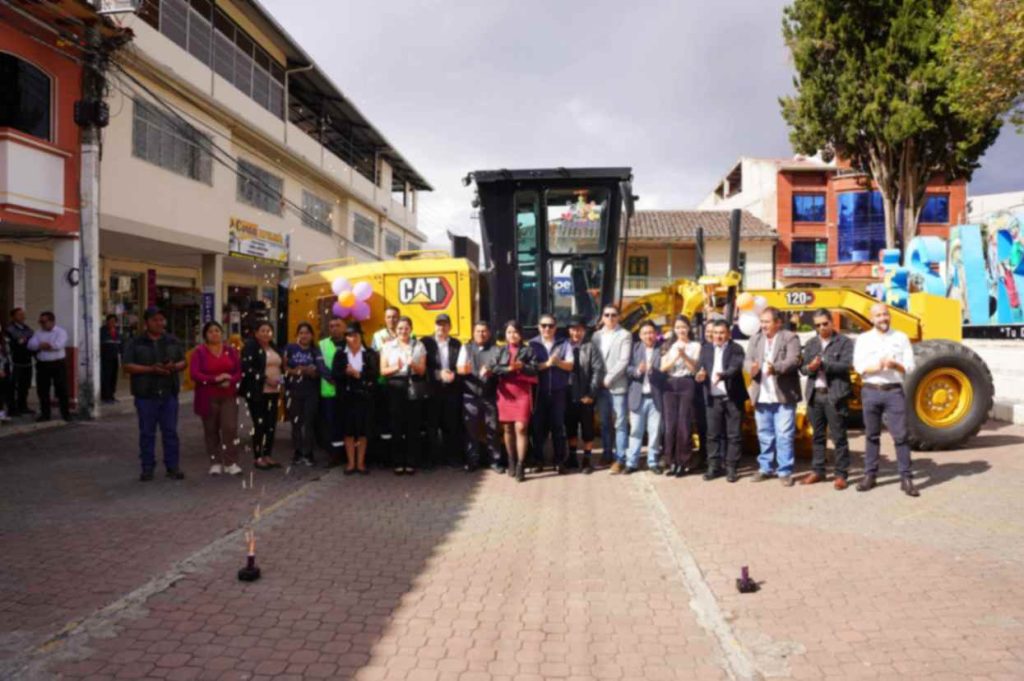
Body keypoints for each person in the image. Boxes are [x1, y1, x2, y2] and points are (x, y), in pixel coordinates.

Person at [854, 303, 919, 497]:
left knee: (900, 436)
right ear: (872, 319)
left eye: (885, 314)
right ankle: (870, 475)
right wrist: (878, 367)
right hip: (871, 391)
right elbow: (858, 366)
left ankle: (906, 478)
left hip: (894, 392)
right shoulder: (863, 339)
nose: (883, 318)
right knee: (871, 435)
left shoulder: (901, 337)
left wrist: (895, 365)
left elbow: (910, 367)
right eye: (879, 315)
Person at [122, 307, 187, 481]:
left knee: (170, 432)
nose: (159, 323)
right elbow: (127, 365)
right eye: (155, 320)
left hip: (168, 393)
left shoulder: (172, 340)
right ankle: (147, 467)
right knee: (147, 433)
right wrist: (151, 369)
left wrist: (173, 367)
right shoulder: (136, 342)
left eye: (161, 320)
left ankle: (172, 467)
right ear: (146, 323)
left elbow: (183, 362)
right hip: (146, 394)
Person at [745, 307, 802, 486]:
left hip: (783, 395)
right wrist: (750, 368)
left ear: (778, 323)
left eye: (767, 322)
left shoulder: (790, 337)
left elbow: (794, 360)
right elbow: (747, 360)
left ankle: (784, 470)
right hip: (762, 394)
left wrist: (775, 367)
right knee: (764, 434)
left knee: (784, 434)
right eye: (761, 321)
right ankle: (765, 468)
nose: (763, 325)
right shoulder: (755, 339)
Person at [800, 310, 854, 490]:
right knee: (817, 436)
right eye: (817, 325)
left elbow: (847, 365)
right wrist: (811, 367)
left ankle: (841, 475)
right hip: (815, 395)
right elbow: (803, 369)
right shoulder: (811, 343)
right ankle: (818, 470)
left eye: (825, 324)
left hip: (835, 395)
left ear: (832, 323)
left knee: (839, 437)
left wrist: (824, 365)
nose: (821, 328)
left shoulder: (844, 342)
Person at [696, 320, 747, 482]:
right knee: (712, 435)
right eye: (715, 333)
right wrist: (700, 375)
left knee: (734, 435)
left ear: (728, 334)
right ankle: (714, 467)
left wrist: (721, 375)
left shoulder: (736, 349)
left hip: (732, 398)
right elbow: (700, 368)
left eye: (721, 333)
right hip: (712, 399)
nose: (718, 336)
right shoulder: (705, 349)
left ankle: (731, 468)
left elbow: (735, 368)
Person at [189, 321, 242, 476]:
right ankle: (215, 462)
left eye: (217, 330)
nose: (215, 333)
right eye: (211, 331)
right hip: (208, 396)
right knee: (211, 430)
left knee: (230, 428)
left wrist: (230, 380)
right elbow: (195, 374)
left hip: (228, 396)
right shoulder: (199, 352)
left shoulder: (230, 351)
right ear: (205, 335)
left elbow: (238, 372)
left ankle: (231, 462)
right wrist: (215, 379)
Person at [380, 316, 427, 475]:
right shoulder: (387, 346)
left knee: (413, 426)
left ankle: (411, 462)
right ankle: (398, 462)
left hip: (413, 385)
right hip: (395, 386)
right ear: (396, 329)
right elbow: (383, 371)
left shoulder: (419, 345)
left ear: (411, 329)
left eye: (406, 328)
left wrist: (411, 363)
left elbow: (422, 370)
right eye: (400, 328)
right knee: (396, 426)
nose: (403, 331)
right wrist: (396, 367)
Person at [332, 322, 379, 475]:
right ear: (346, 338)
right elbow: (335, 375)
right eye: (350, 336)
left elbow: (374, 374)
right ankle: (351, 463)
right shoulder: (340, 354)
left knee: (363, 431)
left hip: (364, 397)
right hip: (346, 397)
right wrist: (346, 373)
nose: (353, 339)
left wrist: (358, 374)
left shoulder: (370, 353)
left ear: (361, 336)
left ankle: (361, 463)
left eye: (356, 335)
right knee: (349, 431)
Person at [494, 320, 538, 481]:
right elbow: (494, 368)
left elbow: (535, 369)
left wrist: (522, 367)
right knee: (507, 429)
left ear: (520, 334)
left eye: (515, 332)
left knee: (521, 427)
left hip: (522, 393)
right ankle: (511, 460)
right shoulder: (500, 351)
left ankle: (521, 464)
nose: (512, 335)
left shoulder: (528, 350)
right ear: (505, 335)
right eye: (509, 332)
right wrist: (509, 368)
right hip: (505, 393)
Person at [659, 315, 702, 476]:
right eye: (677, 327)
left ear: (689, 328)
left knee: (684, 424)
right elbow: (663, 368)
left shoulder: (695, 345)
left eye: (683, 327)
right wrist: (676, 356)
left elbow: (694, 368)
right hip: (669, 384)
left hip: (686, 384)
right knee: (670, 425)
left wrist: (684, 356)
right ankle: (671, 462)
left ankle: (683, 462)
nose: (681, 330)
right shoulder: (668, 345)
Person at [457, 321, 502, 472]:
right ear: (473, 333)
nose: (481, 334)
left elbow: (499, 368)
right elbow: (460, 368)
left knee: (493, 429)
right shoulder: (466, 348)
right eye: (478, 331)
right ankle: (472, 461)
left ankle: (495, 461)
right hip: (470, 395)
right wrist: (465, 369)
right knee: (471, 430)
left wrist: (491, 370)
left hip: (489, 395)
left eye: (484, 331)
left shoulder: (496, 349)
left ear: (489, 333)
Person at [529, 313, 572, 473]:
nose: (547, 328)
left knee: (558, 428)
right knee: (538, 428)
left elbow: (570, 365)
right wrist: (547, 364)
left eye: (551, 326)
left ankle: (559, 461)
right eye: (544, 325)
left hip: (558, 392)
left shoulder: (564, 343)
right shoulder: (532, 344)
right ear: (539, 327)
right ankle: (539, 461)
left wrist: (558, 362)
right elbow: (530, 368)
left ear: (555, 328)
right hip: (539, 392)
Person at [421, 313, 463, 469]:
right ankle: (432, 460)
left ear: (450, 327)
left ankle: (452, 458)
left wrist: (454, 375)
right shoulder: (425, 342)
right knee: (432, 426)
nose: (441, 327)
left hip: (452, 390)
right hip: (432, 390)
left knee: (451, 425)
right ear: (434, 326)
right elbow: (422, 367)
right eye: (439, 324)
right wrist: (439, 374)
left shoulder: (457, 344)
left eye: (445, 324)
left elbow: (462, 364)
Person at [593, 305, 632, 472]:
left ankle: (620, 458)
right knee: (604, 423)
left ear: (619, 317)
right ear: (602, 317)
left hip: (617, 386)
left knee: (620, 423)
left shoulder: (625, 335)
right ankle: (607, 453)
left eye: (613, 315)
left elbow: (624, 361)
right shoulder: (596, 336)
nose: (610, 318)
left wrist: (608, 378)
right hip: (601, 387)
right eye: (606, 315)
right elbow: (594, 359)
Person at [564, 315, 604, 474]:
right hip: (568, 395)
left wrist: (591, 394)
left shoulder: (591, 347)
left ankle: (587, 459)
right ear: (569, 331)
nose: (576, 333)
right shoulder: (564, 346)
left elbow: (597, 371)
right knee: (571, 427)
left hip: (586, 395)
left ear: (584, 331)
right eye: (573, 329)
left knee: (587, 429)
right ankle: (572, 456)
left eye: (579, 329)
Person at [241, 321, 283, 470]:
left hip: (274, 392)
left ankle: (267, 454)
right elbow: (246, 367)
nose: (266, 333)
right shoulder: (251, 347)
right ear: (256, 333)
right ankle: (258, 457)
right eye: (263, 330)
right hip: (257, 392)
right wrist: (265, 379)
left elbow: (280, 367)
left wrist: (281, 379)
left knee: (271, 425)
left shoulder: (274, 347)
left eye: (269, 330)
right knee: (260, 424)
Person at [624, 320, 664, 475]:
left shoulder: (662, 349)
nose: (649, 335)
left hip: (655, 397)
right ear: (640, 336)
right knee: (635, 431)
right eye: (645, 333)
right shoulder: (634, 349)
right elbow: (626, 369)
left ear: (656, 334)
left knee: (654, 432)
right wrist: (638, 371)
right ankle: (631, 462)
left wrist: (658, 372)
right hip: (638, 396)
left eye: (651, 332)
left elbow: (667, 370)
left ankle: (652, 461)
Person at [284, 322, 322, 467]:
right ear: (297, 335)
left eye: (307, 333)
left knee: (309, 422)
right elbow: (285, 367)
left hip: (311, 391)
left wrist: (311, 371)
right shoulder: (290, 348)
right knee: (296, 423)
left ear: (312, 335)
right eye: (301, 333)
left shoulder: (315, 350)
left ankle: (309, 453)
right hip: (294, 390)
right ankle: (297, 452)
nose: (304, 335)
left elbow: (319, 370)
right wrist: (297, 371)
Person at [27, 311, 71, 422]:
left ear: (52, 321)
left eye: (43, 321)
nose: (41, 324)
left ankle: (66, 413)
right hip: (43, 365)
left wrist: (43, 345)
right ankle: (45, 414)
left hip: (57, 364)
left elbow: (58, 345)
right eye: (40, 322)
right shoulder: (38, 333)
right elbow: (30, 345)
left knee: (62, 389)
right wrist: (41, 345)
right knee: (43, 390)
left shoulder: (61, 332)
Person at [318, 317, 347, 467]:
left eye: (337, 325)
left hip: (346, 391)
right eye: (331, 326)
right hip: (329, 391)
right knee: (331, 425)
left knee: (346, 423)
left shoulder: (351, 342)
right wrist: (333, 379)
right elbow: (321, 366)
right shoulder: (322, 344)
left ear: (344, 327)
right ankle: (333, 456)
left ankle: (346, 455)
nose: (334, 328)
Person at [4, 307, 34, 416]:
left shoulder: (27, 329)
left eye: (23, 314)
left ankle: (23, 406)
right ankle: (12, 408)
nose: (22, 316)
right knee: (12, 386)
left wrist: (23, 341)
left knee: (25, 385)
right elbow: (12, 344)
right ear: (13, 317)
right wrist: (22, 342)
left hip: (27, 360)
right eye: (19, 314)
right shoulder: (9, 330)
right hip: (14, 362)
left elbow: (32, 340)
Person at [100, 314, 122, 403]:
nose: (112, 323)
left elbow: (121, 344)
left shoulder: (117, 332)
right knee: (106, 377)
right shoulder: (102, 331)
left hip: (115, 358)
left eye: (114, 321)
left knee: (114, 377)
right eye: (110, 321)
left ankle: (112, 395)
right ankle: (106, 396)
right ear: (107, 321)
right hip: (105, 358)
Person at [0, 331, 12, 422]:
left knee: (3, 392)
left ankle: (2, 414)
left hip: (5, 368)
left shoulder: (4, 341)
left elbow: (7, 355)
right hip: (1, 370)